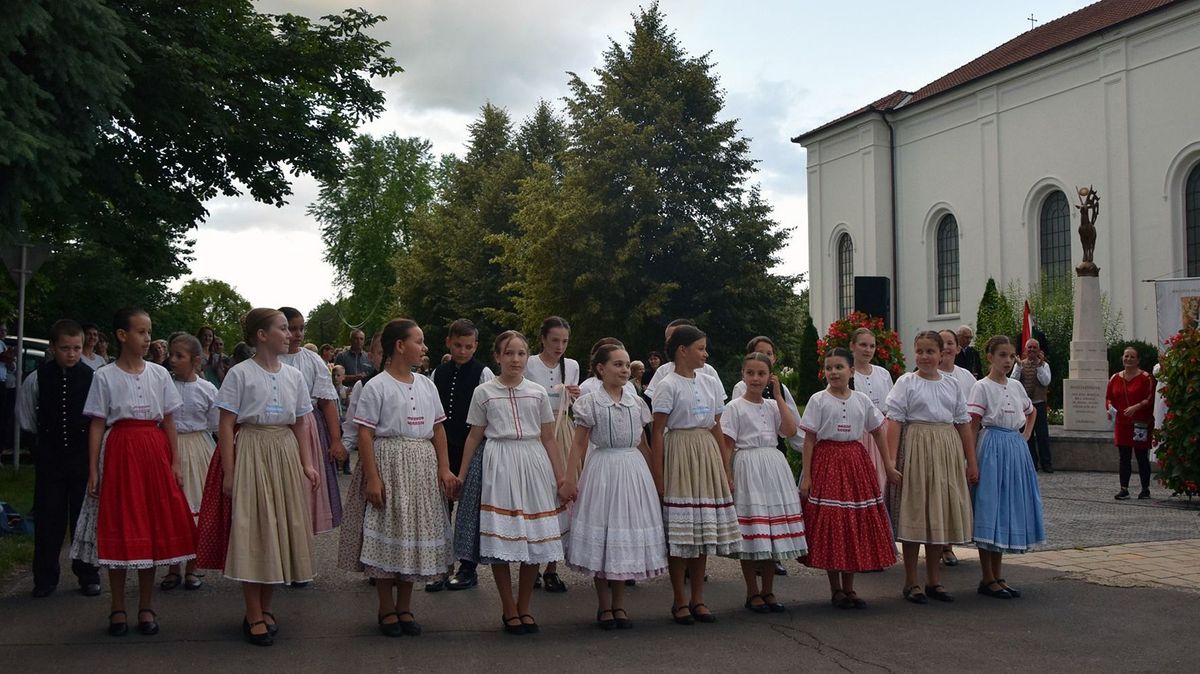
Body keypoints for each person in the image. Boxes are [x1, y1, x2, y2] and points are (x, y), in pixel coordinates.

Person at [70, 308, 196, 637]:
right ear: (122, 335)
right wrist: (93, 469)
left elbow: (169, 420)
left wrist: (175, 462)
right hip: (120, 451)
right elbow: (97, 423)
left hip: (152, 450)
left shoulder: (158, 374)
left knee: (150, 527)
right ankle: (117, 607)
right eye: (140, 332)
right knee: (122, 526)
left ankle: (146, 606)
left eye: (149, 331)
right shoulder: (105, 376)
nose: (147, 338)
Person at [337, 319, 458, 637]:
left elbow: (438, 428)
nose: (424, 347)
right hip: (389, 462)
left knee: (413, 535)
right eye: (418, 341)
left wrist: (444, 468)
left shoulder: (426, 384)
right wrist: (373, 479)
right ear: (400, 346)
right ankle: (385, 607)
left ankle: (405, 606)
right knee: (389, 530)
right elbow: (365, 433)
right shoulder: (377, 386)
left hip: (420, 464)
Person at [210, 308, 319, 646]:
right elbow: (226, 423)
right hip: (253, 448)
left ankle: (267, 607)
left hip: (283, 448)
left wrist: (306, 463)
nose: (290, 335)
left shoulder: (294, 376)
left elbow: (300, 422)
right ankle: (252, 611)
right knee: (255, 530)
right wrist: (229, 471)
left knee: (280, 528)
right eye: (283, 329)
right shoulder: (240, 374)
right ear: (262, 334)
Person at [455, 331, 566, 635]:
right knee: (501, 541)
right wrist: (462, 475)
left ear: (527, 357)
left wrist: (561, 478)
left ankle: (525, 606)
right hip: (499, 463)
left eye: (520, 353)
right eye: (509, 353)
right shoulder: (485, 392)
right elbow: (474, 436)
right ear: (498, 357)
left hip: (533, 463)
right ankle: (508, 607)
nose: (515, 359)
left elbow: (548, 437)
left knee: (535, 539)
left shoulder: (537, 392)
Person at [558, 344, 666, 629]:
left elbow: (643, 444)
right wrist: (570, 478)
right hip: (603, 470)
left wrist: (657, 478)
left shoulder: (636, 402)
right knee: (605, 536)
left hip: (633, 473)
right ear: (601, 369)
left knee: (624, 537)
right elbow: (579, 444)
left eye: (627, 365)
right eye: (617, 364)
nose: (624, 370)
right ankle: (604, 606)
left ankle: (620, 605)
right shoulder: (590, 402)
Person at [650, 325, 738, 625]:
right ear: (682, 350)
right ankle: (679, 599)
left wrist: (726, 468)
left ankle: (698, 598)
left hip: (705, 453)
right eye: (700, 348)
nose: (705, 353)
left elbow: (716, 426)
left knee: (701, 531)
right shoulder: (667, 384)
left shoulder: (710, 382)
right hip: (680, 451)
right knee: (681, 533)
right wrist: (659, 474)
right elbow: (658, 432)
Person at [799, 347, 898, 609]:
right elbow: (809, 439)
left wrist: (888, 465)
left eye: (839, 367)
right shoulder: (818, 400)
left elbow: (878, 431)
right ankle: (836, 589)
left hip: (855, 461)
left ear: (851, 371)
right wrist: (806, 476)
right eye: (829, 368)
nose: (834, 372)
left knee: (853, 520)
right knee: (834, 521)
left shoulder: (862, 400)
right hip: (828, 461)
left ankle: (850, 587)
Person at [885, 330, 976, 604]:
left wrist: (971, 462)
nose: (925, 357)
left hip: (946, 449)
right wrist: (890, 462)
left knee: (940, 513)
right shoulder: (906, 382)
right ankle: (911, 581)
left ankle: (934, 580)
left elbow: (963, 424)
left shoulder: (952, 385)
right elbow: (895, 422)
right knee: (916, 512)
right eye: (920, 351)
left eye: (930, 351)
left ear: (941, 354)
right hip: (916, 448)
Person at [16, 319, 102, 598]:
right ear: (53, 348)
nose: (72, 354)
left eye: (77, 348)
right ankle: (44, 577)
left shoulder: (92, 378)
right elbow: (27, 417)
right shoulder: (37, 378)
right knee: (48, 519)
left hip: (82, 459)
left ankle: (88, 573)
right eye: (65, 348)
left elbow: (100, 419)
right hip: (51, 459)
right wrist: (40, 450)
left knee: (84, 518)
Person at [725, 352, 806, 613]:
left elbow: (791, 431)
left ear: (769, 377)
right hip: (747, 465)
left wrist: (779, 396)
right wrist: (727, 475)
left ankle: (769, 590)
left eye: (761, 374)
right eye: (751, 373)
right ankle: (752, 592)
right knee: (752, 532)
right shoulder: (734, 407)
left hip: (773, 466)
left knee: (771, 532)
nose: (756, 379)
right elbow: (727, 446)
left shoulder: (773, 406)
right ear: (743, 375)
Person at [969, 336, 1045, 599]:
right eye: (1002, 355)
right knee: (990, 507)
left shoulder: (1015, 385)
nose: (1007, 360)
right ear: (990, 357)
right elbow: (973, 424)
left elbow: (1031, 411)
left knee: (1005, 508)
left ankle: (998, 575)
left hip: (1014, 447)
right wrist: (971, 460)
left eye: (1011, 356)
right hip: (992, 447)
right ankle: (986, 576)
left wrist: (1025, 436)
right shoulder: (981, 387)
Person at [433, 319, 496, 592]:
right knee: (440, 508)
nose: (462, 351)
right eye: (458, 345)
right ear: (449, 342)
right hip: (444, 447)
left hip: (472, 446)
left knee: (469, 508)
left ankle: (467, 567)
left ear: (476, 346)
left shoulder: (484, 374)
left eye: (468, 346)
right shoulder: (438, 372)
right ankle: (440, 566)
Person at [524, 316, 581, 593]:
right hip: (538, 434)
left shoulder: (571, 366)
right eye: (555, 340)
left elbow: (572, 405)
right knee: (538, 498)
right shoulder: (529, 364)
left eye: (565, 341)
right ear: (543, 339)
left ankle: (552, 568)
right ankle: (531, 564)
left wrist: (575, 395)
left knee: (563, 495)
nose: (560, 346)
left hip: (564, 433)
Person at [160, 332, 219, 592]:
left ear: (196, 360)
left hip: (198, 448)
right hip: (167, 448)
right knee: (172, 510)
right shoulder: (163, 384)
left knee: (196, 506)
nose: (172, 360)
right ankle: (173, 567)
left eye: (179, 356)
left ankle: (193, 567)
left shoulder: (207, 389)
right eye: (171, 354)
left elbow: (216, 422)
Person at [279, 307, 345, 537]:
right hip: (278, 425)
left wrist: (336, 440)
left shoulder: (312, 359)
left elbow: (327, 403)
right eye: (290, 329)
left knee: (307, 481)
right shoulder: (271, 358)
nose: (297, 334)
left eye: (300, 328)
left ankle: (301, 538)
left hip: (308, 424)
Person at [937, 329, 977, 567]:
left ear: (958, 348)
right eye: (940, 343)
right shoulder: (922, 375)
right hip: (932, 440)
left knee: (953, 493)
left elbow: (971, 417)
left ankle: (948, 544)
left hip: (958, 440)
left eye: (950, 343)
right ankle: (935, 543)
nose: (945, 347)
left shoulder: (966, 378)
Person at [1106, 346, 1155, 500]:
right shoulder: (1115, 378)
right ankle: (1124, 488)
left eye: (1132, 357)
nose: (1128, 359)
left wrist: (1137, 406)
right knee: (1124, 456)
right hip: (1122, 423)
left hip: (1140, 422)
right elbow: (1108, 397)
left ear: (1138, 360)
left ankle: (1145, 489)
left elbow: (1150, 398)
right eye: (1126, 356)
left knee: (1141, 455)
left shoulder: (1146, 378)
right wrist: (1110, 408)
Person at [850, 328, 894, 497]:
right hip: (859, 432)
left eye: (872, 346)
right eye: (863, 345)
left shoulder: (883, 373)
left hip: (882, 431)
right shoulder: (847, 374)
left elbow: (891, 405)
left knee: (882, 477)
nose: (868, 350)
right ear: (852, 346)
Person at [644, 319, 723, 398]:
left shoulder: (708, 372)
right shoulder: (662, 372)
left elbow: (719, 404)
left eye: (676, 337)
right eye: (668, 340)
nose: (671, 343)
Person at [1012, 338, 1053, 473]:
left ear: (1039, 350)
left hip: (1039, 404)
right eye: (1029, 347)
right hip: (1024, 406)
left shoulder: (1044, 365)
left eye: (1034, 348)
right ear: (1025, 350)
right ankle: (1032, 464)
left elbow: (1045, 381)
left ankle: (1046, 463)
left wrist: (1039, 366)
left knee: (1042, 435)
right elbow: (1013, 381)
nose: (1032, 350)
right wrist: (1018, 366)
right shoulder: (1020, 364)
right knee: (1027, 436)